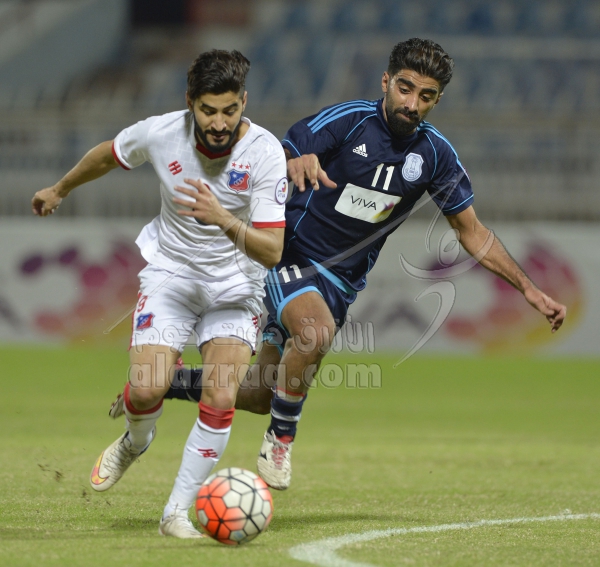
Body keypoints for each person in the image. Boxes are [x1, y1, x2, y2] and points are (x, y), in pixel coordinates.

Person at [111, 38, 567, 491]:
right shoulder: (349, 122)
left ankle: (166, 383)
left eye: (426, 96)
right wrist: (297, 158)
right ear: (386, 82)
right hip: (290, 255)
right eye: (405, 88)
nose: (412, 103)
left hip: (340, 285)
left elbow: (473, 232)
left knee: (256, 394)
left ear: (437, 100)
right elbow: (279, 149)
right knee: (315, 332)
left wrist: (528, 288)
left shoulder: (435, 156)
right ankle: (280, 441)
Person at [31, 50, 288, 538]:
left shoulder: (266, 152)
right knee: (147, 388)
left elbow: (272, 250)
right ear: (190, 102)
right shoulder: (160, 132)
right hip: (172, 278)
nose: (219, 123)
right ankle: (135, 440)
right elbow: (109, 153)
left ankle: (175, 514)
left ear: (244, 102)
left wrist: (223, 218)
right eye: (208, 111)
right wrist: (60, 189)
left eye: (230, 110)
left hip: (236, 288)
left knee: (220, 395)